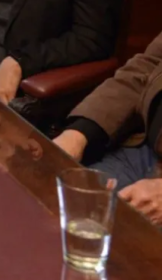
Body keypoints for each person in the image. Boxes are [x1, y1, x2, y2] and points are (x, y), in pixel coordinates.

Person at [53, 30, 162, 224]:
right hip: (143, 151)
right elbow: (147, 68)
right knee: (52, 207)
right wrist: (78, 134)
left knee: (114, 236)